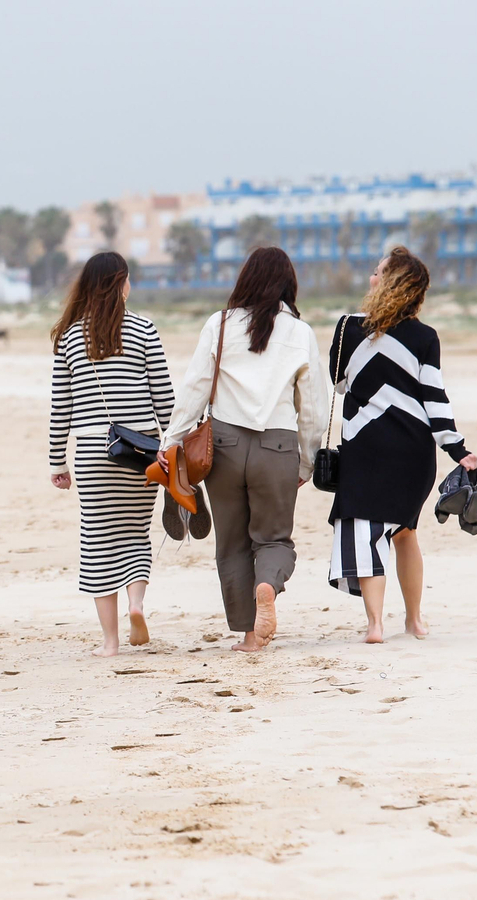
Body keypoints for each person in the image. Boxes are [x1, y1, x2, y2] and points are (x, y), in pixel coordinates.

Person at [161, 247, 327, 652]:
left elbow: (195, 388)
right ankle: (268, 585)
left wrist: (172, 439)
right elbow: (314, 408)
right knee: (273, 538)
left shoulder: (219, 325)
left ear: (244, 280)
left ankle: (251, 637)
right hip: (277, 444)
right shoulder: (300, 333)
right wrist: (306, 460)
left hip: (225, 446)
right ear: (289, 284)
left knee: (232, 542)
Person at [327, 247, 477, 643]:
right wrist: (457, 450)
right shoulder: (425, 337)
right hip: (412, 453)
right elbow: (435, 400)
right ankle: (414, 621)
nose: (371, 278)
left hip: (363, 446)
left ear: (392, 283)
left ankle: (375, 625)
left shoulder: (348, 328)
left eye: (378, 272)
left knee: (365, 530)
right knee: (405, 532)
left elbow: (339, 382)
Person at [48, 252, 175, 656]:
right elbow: (165, 399)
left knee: (99, 541)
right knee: (137, 531)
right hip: (142, 452)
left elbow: (60, 407)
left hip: (92, 450)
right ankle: (137, 605)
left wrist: (57, 461)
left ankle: (110, 642)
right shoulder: (144, 328)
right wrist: (172, 446)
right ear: (121, 283)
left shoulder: (69, 336)